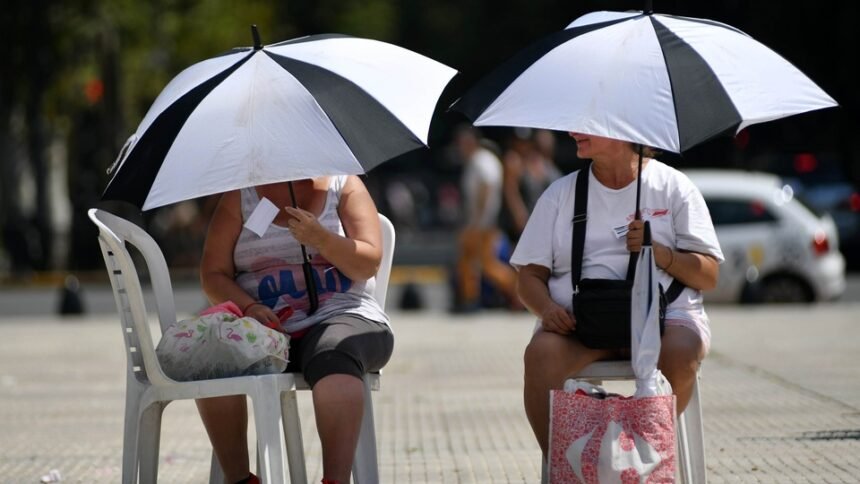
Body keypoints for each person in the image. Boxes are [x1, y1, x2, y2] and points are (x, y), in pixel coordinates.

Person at [510, 132, 724, 460]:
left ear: (624, 131)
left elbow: (708, 275)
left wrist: (661, 254)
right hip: (581, 324)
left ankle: (640, 463)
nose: (572, 133)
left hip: (663, 321)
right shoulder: (560, 194)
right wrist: (547, 309)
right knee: (540, 356)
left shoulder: (674, 187)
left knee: (683, 351)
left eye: (588, 124)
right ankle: (569, 471)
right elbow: (528, 277)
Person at [197, 175, 394, 484]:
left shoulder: (343, 186)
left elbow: (367, 264)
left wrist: (321, 238)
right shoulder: (240, 196)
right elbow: (213, 274)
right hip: (265, 325)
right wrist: (248, 307)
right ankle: (239, 478)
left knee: (334, 356)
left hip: (341, 314)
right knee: (214, 360)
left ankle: (335, 479)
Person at [453, 124, 518, 311]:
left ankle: (517, 291)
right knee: (470, 262)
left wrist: (478, 220)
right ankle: (470, 299)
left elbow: (486, 188)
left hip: (481, 224)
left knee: (484, 263)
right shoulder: (479, 160)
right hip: (480, 222)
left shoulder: (482, 160)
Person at [501, 129, 562, 242]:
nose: (522, 145)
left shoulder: (539, 162)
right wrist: (522, 222)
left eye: (525, 142)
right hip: (523, 228)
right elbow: (511, 193)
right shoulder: (512, 160)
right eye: (519, 141)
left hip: (542, 225)